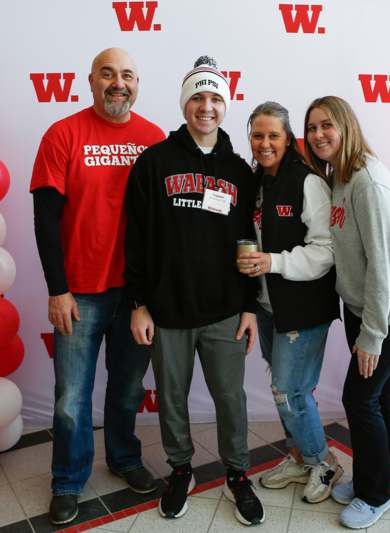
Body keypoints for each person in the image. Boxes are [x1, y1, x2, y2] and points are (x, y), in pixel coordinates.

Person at [124, 55, 265, 526]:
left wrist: (249, 306)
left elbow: (250, 242)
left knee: (231, 398)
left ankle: (237, 473)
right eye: (198, 98)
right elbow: (137, 237)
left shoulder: (240, 171)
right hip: (167, 309)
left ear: (225, 106)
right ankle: (180, 469)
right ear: (186, 104)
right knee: (173, 396)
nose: (206, 107)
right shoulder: (154, 162)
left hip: (225, 309)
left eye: (215, 99)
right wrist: (139, 303)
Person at [30, 48, 166, 526]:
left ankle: (125, 458)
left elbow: (160, 226)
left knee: (128, 388)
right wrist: (57, 289)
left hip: (134, 297)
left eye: (127, 74)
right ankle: (68, 480)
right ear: (90, 81)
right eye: (108, 74)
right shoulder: (63, 134)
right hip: (79, 293)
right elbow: (45, 218)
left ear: (137, 83)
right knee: (71, 396)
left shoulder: (153, 139)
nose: (118, 83)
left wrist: (148, 297)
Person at [302, 96, 390, 529]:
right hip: (362, 305)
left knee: (359, 398)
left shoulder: (368, 182)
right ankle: (376, 479)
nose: (319, 135)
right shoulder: (338, 174)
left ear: (347, 126)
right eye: (312, 127)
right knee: (378, 395)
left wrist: (372, 334)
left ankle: (377, 495)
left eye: (327, 126)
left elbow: (383, 266)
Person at [236, 101, 342, 503]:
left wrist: (272, 261)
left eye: (273, 136)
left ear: (288, 139)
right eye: (257, 135)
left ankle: (323, 462)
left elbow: (325, 249)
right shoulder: (257, 181)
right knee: (284, 388)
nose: (264, 143)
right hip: (267, 305)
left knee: (291, 389)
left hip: (303, 306)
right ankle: (299, 456)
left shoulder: (308, 181)